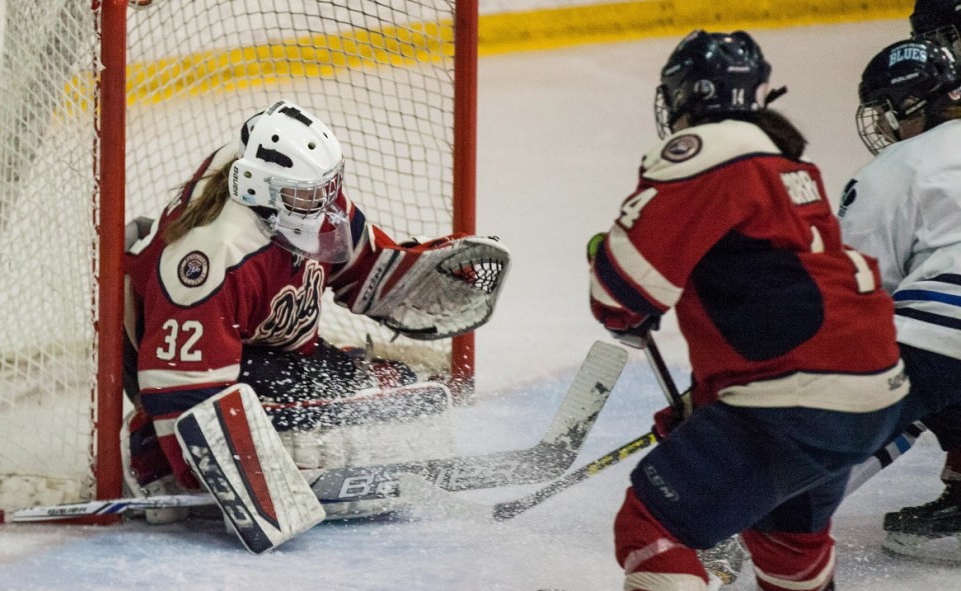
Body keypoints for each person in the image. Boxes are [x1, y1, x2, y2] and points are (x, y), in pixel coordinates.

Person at [587, 30, 909, 590]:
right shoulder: (789, 168)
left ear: (686, 95)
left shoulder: (708, 154)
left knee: (650, 528)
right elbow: (770, 301)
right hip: (875, 393)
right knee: (788, 542)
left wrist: (609, 260)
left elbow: (620, 299)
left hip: (794, 398)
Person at [121, 99, 508, 523]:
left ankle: (287, 422)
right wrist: (209, 474)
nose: (326, 204)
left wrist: (415, 279)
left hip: (265, 347)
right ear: (256, 187)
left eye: (329, 187)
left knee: (383, 391)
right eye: (309, 196)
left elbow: (361, 263)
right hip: (182, 361)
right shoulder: (215, 253)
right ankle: (148, 453)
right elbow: (181, 385)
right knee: (302, 409)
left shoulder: (299, 202)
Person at [839, 14, 961, 560]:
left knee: (875, 389)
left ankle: (759, 517)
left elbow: (856, 289)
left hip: (950, 322)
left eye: (889, 111)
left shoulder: (898, 164)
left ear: (912, 107)